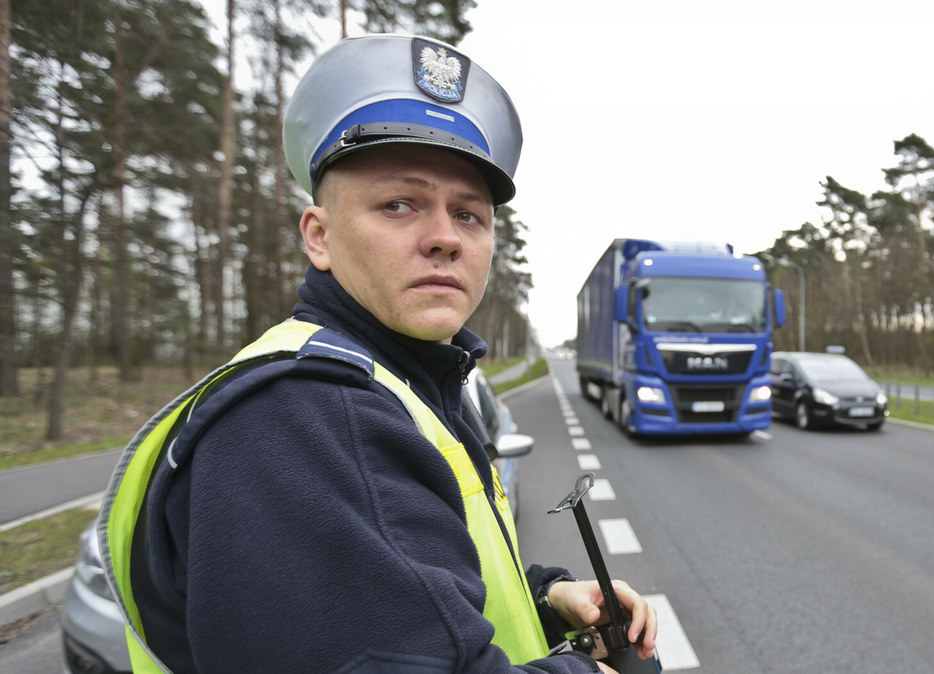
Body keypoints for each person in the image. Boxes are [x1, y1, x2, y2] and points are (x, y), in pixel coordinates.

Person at [98, 34, 657, 673]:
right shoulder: (303, 419)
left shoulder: (411, 384)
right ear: (320, 236)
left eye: (470, 215)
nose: (445, 237)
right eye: (399, 204)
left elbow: (412, 584)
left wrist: (546, 597)